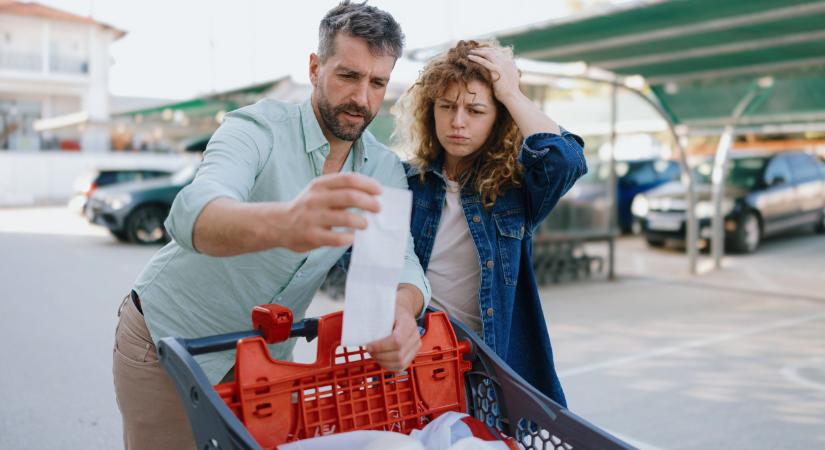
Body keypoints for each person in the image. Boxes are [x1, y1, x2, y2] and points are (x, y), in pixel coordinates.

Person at [112, 2, 430, 448]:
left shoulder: (382, 167)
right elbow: (192, 212)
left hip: (267, 363)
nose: (362, 99)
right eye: (348, 76)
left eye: (377, 83)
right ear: (315, 68)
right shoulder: (258, 127)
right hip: (169, 341)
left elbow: (402, 261)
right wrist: (286, 222)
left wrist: (402, 306)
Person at [395, 40, 587, 407]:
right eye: (446, 106)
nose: (458, 121)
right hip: (417, 361)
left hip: (490, 368)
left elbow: (566, 160)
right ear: (430, 111)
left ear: (498, 119)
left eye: (476, 110)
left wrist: (510, 93)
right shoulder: (406, 182)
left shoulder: (514, 190)